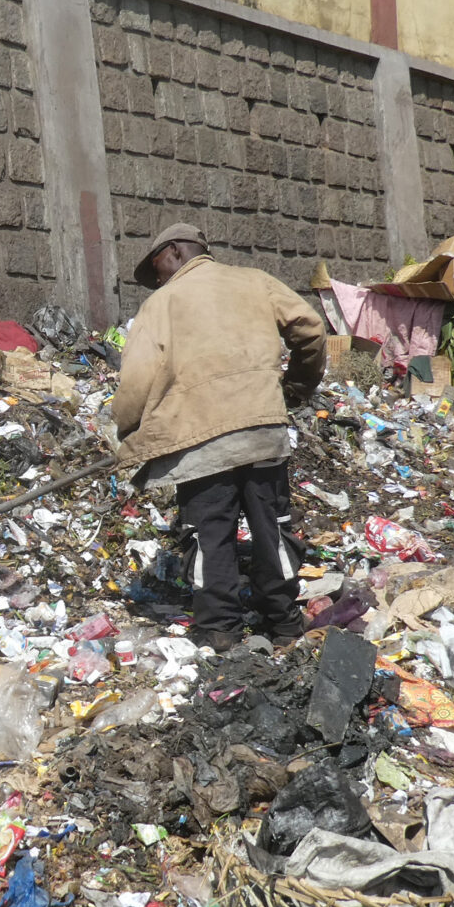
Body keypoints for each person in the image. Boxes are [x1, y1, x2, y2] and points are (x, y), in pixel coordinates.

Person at [110, 222, 328, 651]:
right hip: (263, 427)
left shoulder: (162, 303)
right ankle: (284, 623)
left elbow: (136, 380)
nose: (157, 279)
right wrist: (297, 386)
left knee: (210, 534)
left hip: (201, 437)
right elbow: (312, 328)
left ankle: (220, 631)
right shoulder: (255, 281)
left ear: (172, 252)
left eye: (156, 268)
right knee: (273, 526)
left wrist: (128, 429)